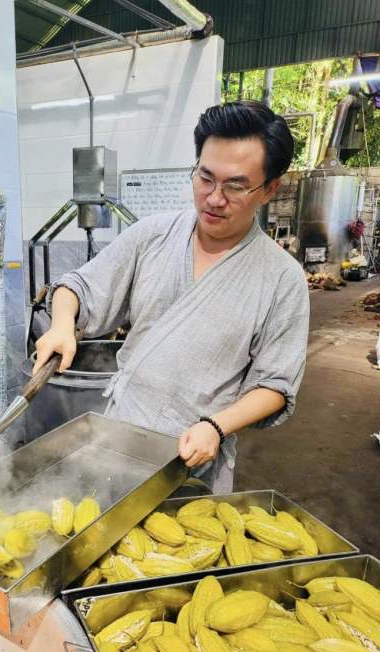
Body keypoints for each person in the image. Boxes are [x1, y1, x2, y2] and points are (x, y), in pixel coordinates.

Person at [33, 100, 310, 492]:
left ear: (269, 189)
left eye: (235, 186)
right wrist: (62, 326)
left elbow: (275, 385)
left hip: (193, 454)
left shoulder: (282, 279)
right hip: (117, 437)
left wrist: (217, 426)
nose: (214, 198)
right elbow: (77, 287)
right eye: (205, 178)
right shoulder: (153, 235)